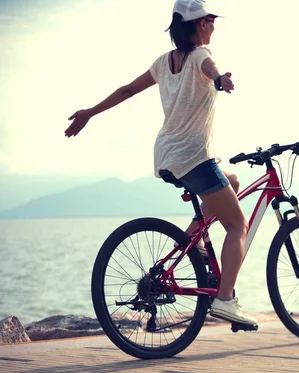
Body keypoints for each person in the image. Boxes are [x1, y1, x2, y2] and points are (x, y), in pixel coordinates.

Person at [64, 0, 257, 326]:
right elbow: (211, 69)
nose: (214, 25)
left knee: (233, 183)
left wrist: (89, 113)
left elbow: (126, 91)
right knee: (239, 226)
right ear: (199, 24)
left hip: (166, 154)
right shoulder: (201, 57)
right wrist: (221, 79)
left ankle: (191, 246)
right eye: (211, 20)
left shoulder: (162, 62)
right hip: (195, 157)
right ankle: (225, 300)